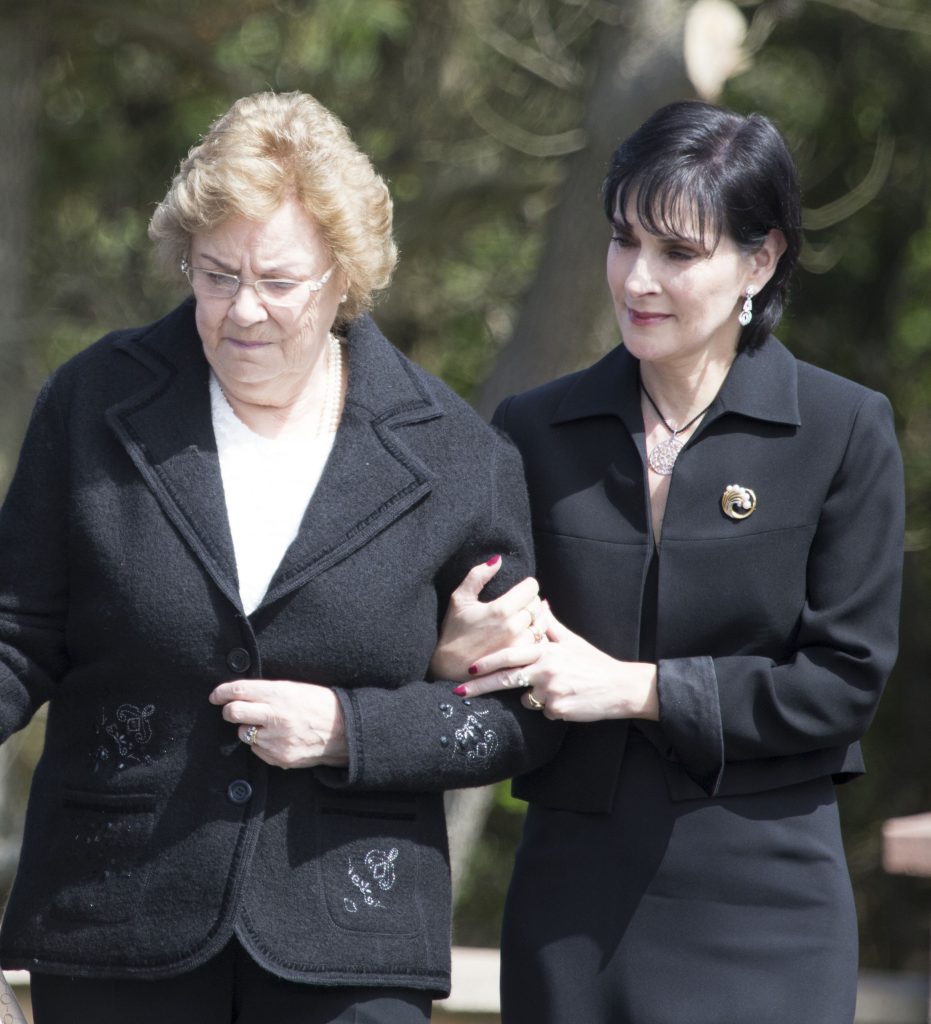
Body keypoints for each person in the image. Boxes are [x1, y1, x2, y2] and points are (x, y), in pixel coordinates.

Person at [0, 91, 560, 1024]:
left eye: (279, 281)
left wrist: (351, 730)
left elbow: (517, 720)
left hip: (351, 938)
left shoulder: (459, 454)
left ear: (345, 275)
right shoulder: (92, 402)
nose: (242, 311)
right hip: (115, 923)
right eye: (215, 275)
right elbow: (16, 633)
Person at [435, 100, 904, 1023]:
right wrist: (456, 651)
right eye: (622, 241)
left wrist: (639, 688)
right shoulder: (531, 431)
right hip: (570, 899)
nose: (637, 279)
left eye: (677, 254)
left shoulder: (844, 430)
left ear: (759, 261)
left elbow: (843, 683)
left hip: (764, 902)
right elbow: (480, 661)